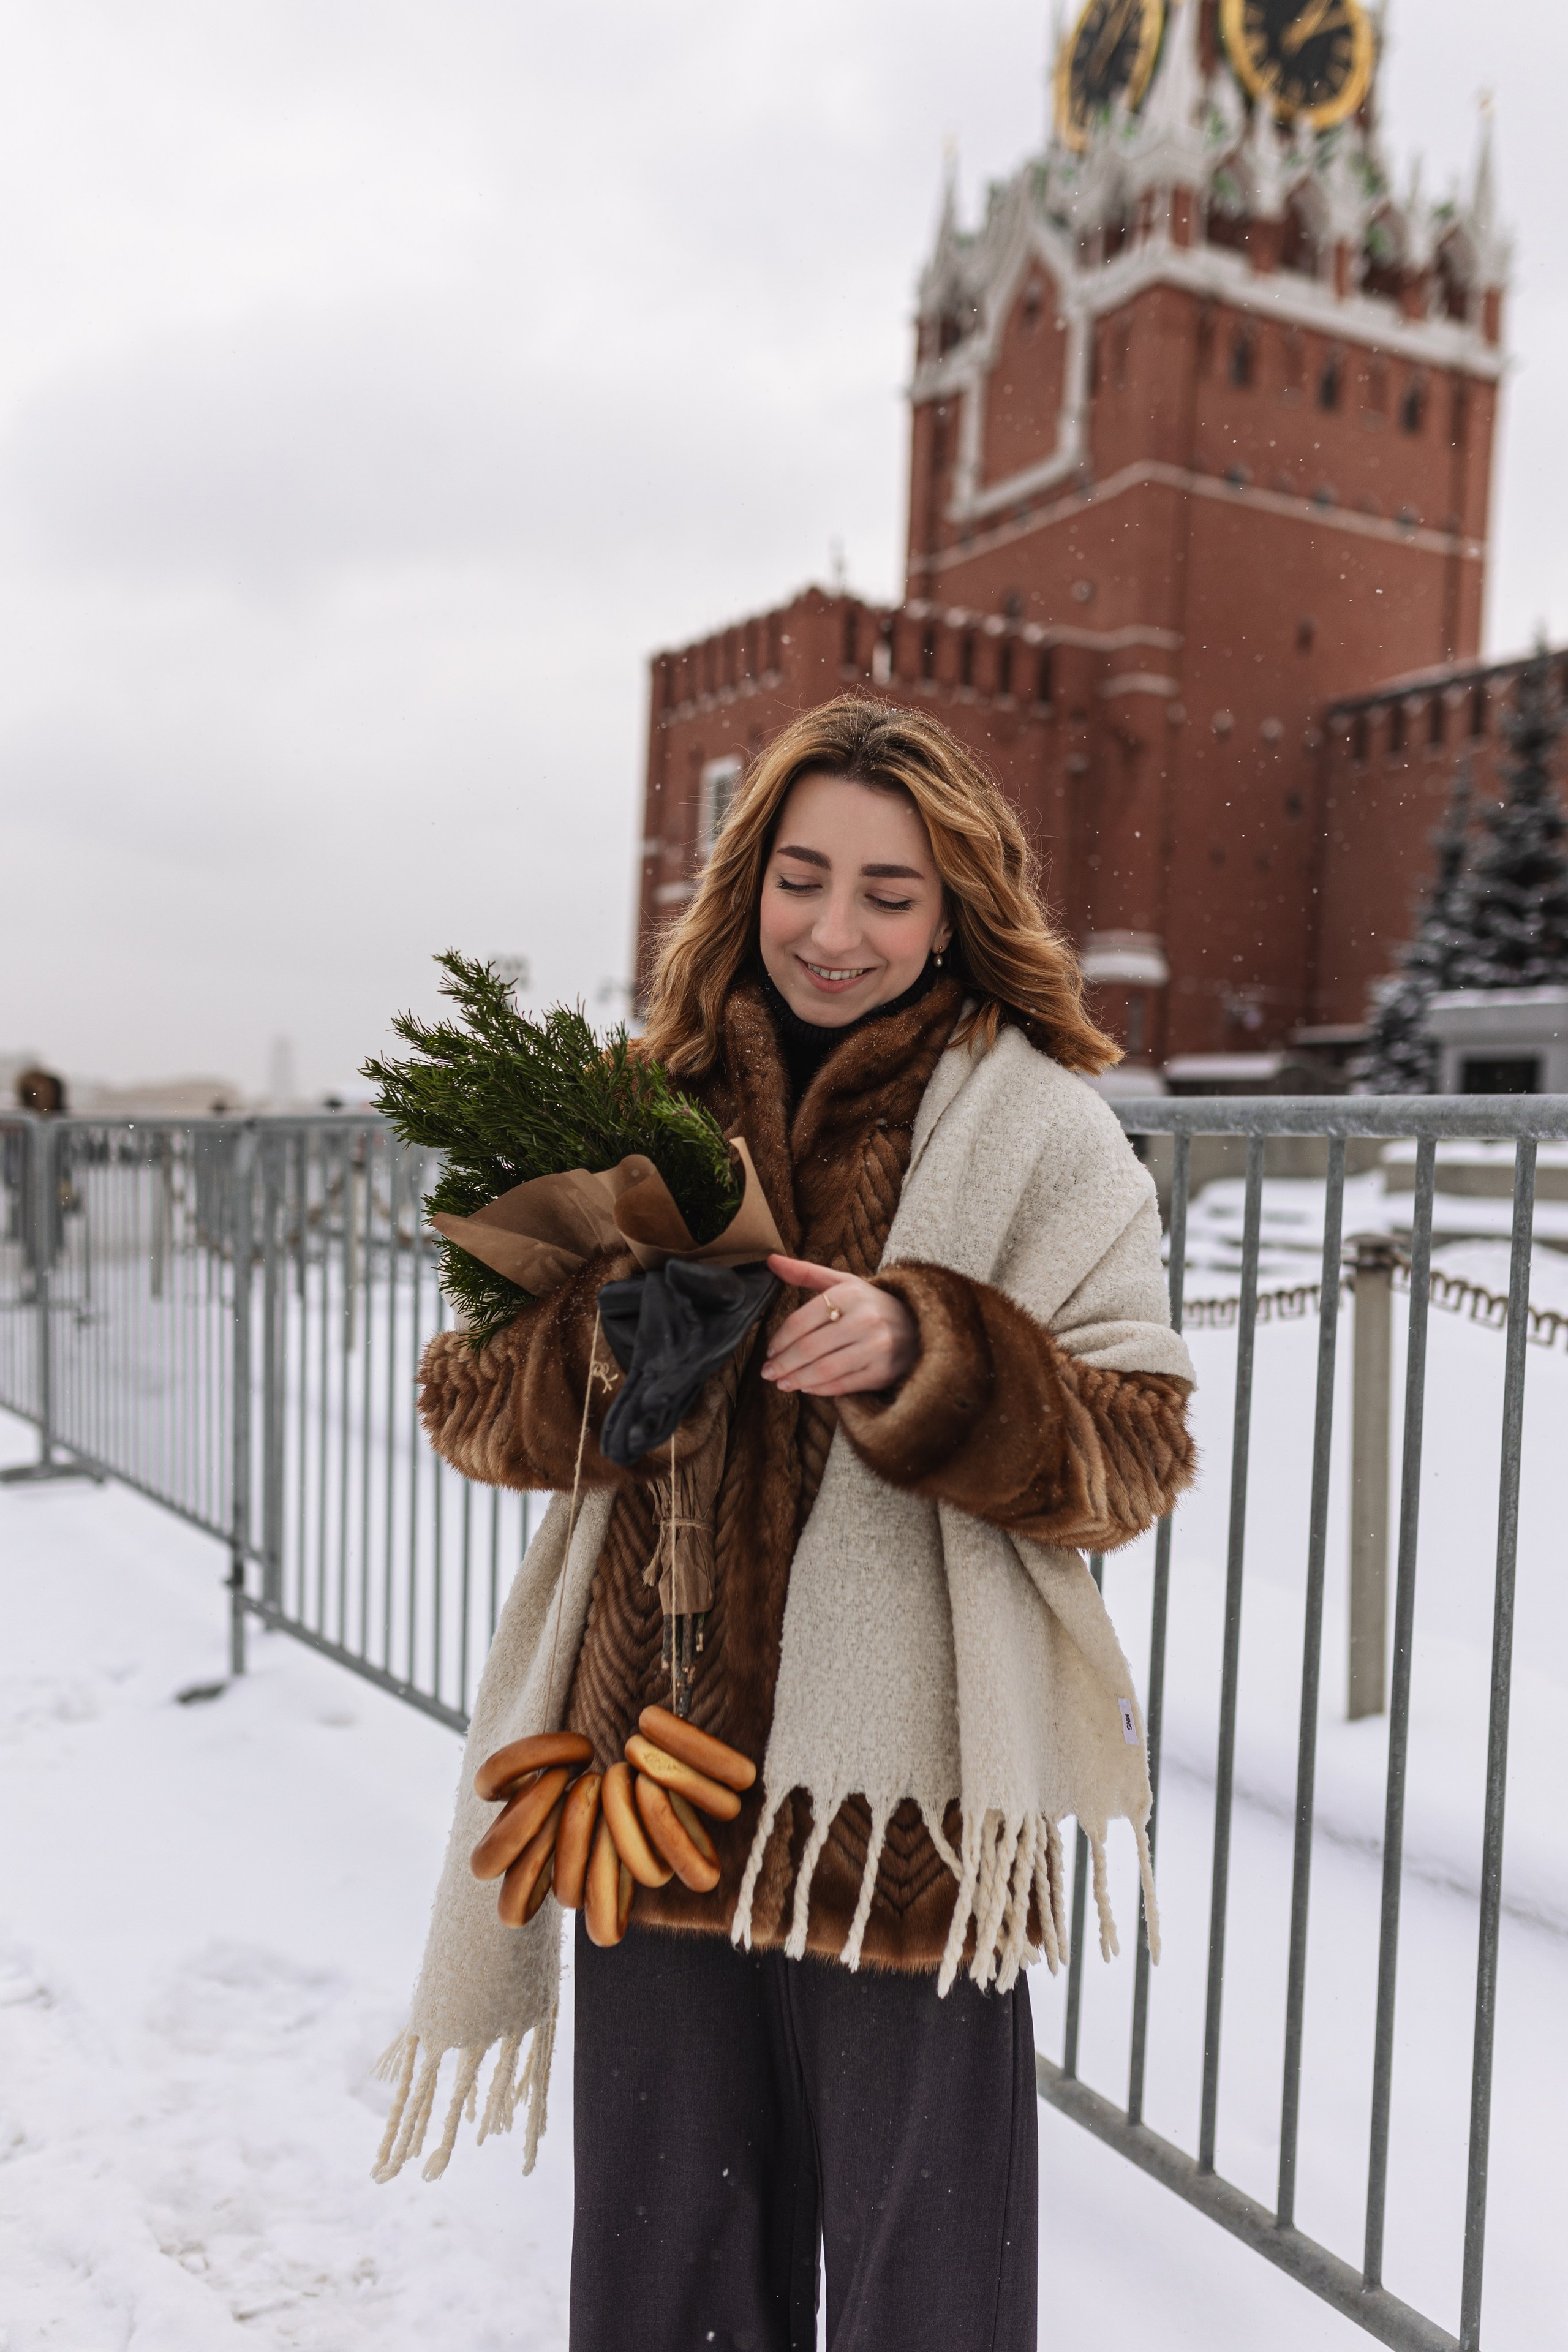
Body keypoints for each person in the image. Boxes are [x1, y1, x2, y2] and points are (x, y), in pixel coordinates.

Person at [390, 697, 1196, 2351]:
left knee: (928, 2288)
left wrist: (930, 1353)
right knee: (666, 2284)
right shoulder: (640, 1107)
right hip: (651, 1782)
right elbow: (468, 1403)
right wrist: (605, 1351)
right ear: (748, 880)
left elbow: (1135, 1453)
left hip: (900, 1815)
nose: (836, 931)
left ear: (957, 908)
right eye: (803, 878)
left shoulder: (1047, 1135)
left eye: (891, 894)